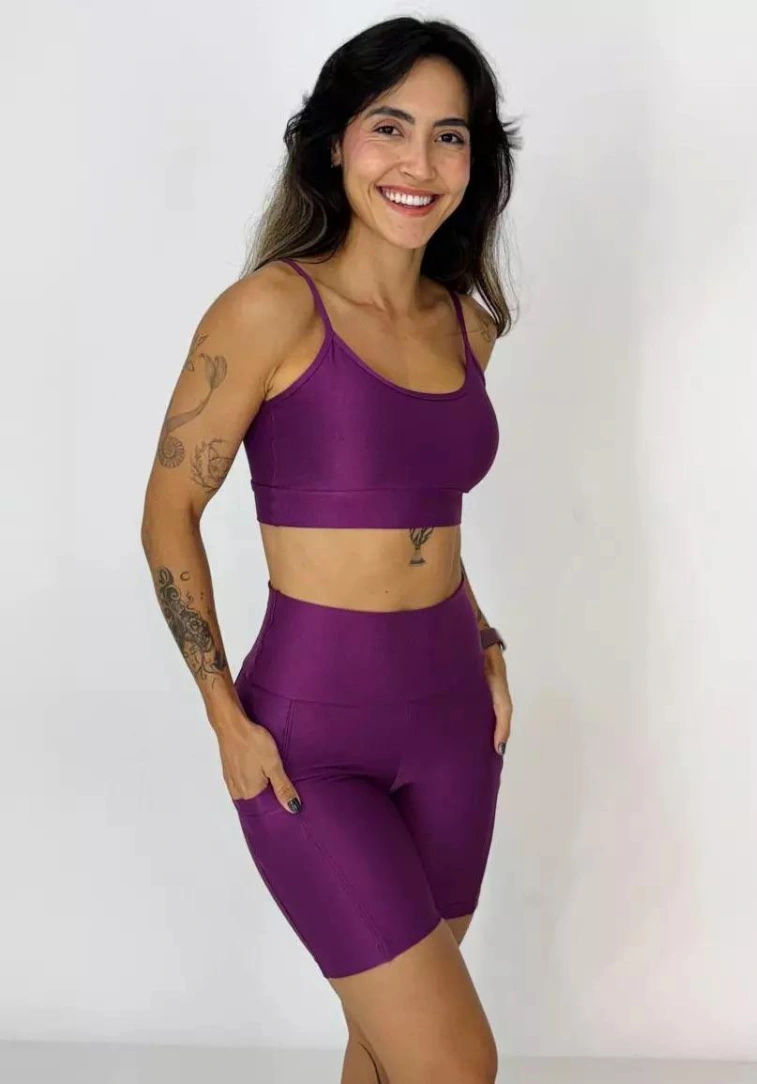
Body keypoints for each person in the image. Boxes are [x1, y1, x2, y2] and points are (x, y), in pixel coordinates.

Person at [140, 15, 521, 1084]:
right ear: (334, 142)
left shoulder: (468, 326)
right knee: (454, 1062)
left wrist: (485, 638)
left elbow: (424, 520)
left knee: (387, 1048)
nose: (418, 162)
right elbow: (168, 513)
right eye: (389, 127)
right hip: (309, 741)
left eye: (449, 136)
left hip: (454, 726)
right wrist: (222, 714)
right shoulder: (270, 308)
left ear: (476, 162)